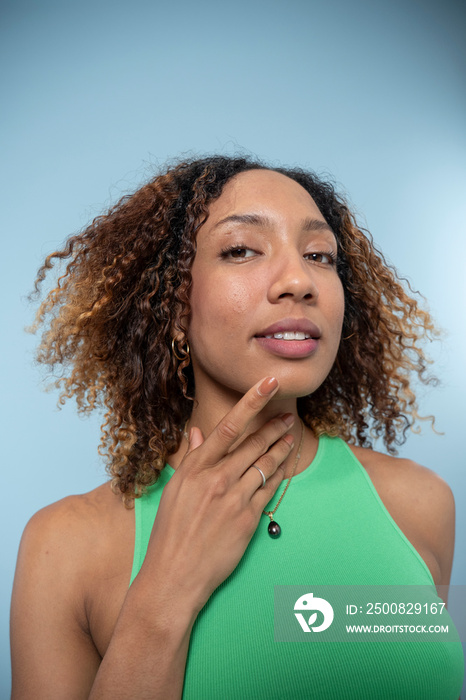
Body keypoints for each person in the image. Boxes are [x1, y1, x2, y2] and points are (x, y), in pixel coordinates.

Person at [11, 156, 464, 699]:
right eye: (241, 250)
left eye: (319, 256)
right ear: (178, 307)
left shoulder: (419, 506)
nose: (299, 280)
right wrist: (163, 594)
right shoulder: (64, 548)